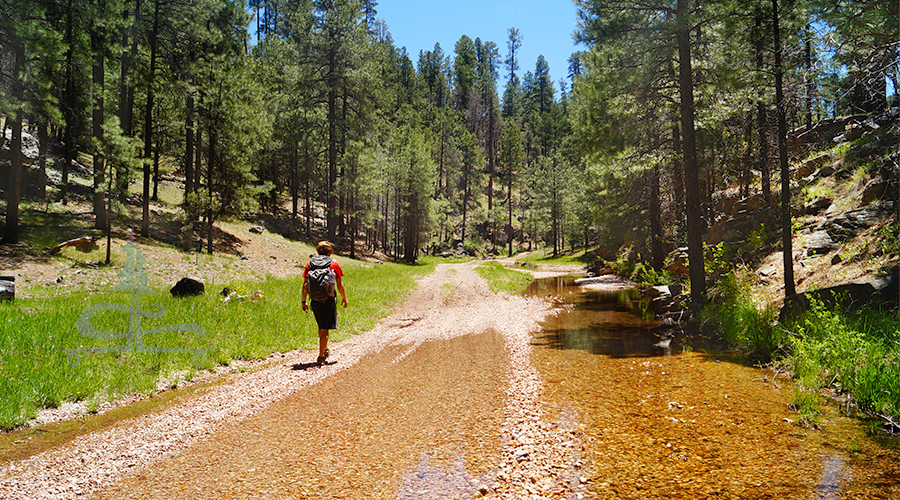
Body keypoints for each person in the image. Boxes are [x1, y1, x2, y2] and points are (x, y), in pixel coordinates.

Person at [301, 241, 348, 365]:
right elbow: (339, 284)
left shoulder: (310, 264)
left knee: (321, 327)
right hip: (328, 300)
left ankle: (324, 348)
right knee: (325, 330)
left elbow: (305, 284)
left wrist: (303, 301)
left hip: (314, 300)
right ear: (329, 252)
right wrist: (344, 298)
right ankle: (321, 356)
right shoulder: (334, 264)